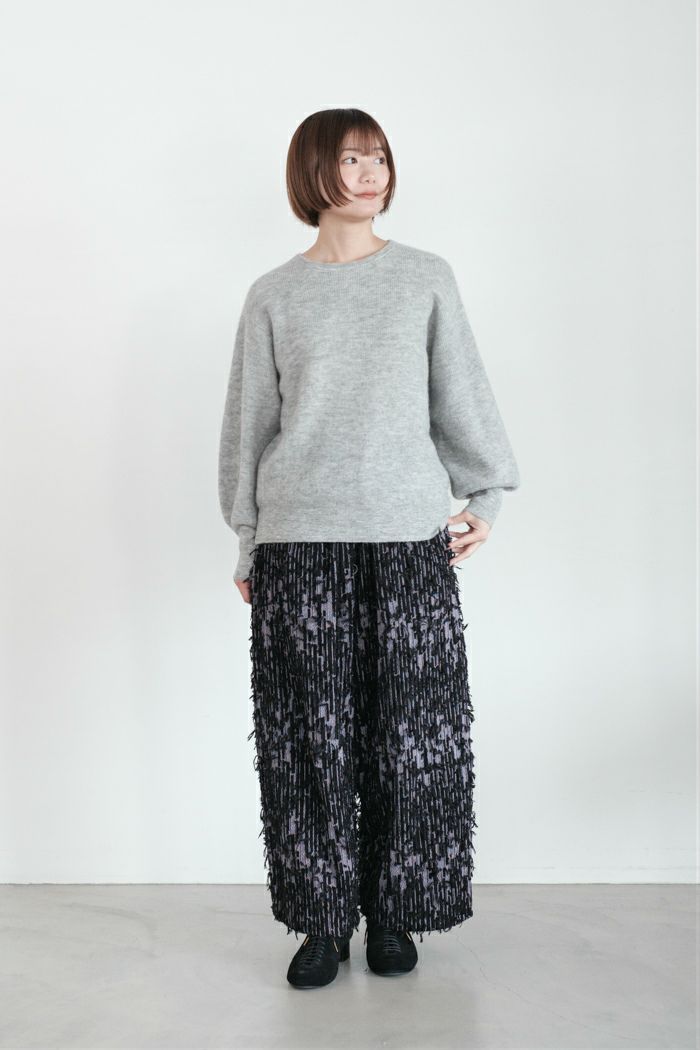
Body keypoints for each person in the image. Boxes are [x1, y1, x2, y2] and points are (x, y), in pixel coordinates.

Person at [218, 107, 520, 989]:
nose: (370, 172)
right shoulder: (273, 294)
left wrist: (487, 495)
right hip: (299, 542)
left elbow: (461, 393)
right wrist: (248, 539)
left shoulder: (425, 277)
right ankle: (320, 921)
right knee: (306, 741)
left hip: (407, 539)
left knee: (414, 737)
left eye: (380, 157)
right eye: (351, 158)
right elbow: (249, 426)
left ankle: (395, 913)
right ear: (314, 172)